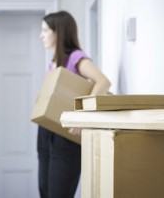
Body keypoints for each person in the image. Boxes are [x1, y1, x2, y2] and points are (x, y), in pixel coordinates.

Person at [37, 11, 111, 198]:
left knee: (58, 194)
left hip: (66, 136)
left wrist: (83, 117)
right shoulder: (53, 63)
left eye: (45, 30)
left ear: (58, 33)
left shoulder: (76, 57)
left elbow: (102, 82)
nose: (41, 35)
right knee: (45, 191)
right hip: (46, 132)